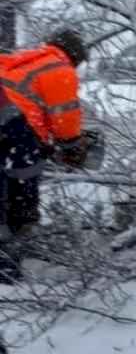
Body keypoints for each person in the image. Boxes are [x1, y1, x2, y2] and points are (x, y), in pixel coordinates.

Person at [0, 28, 94, 283]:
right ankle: (9, 264)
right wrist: (72, 148)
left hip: (9, 126)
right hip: (13, 131)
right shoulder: (59, 69)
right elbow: (65, 119)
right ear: (75, 56)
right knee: (21, 193)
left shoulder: (22, 60)